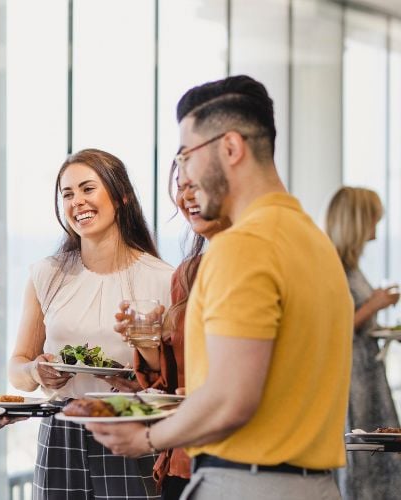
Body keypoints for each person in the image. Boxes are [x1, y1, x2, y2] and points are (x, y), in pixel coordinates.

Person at [86, 75, 353, 500]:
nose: (185, 176)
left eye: (187, 156)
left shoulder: (241, 247)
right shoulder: (314, 242)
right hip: (316, 486)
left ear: (231, 148)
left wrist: (146, 440)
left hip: (245, 484)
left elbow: (233, 400)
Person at [9, 148, 173, 499]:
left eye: (87, 189)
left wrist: (144, 359)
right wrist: (38, 371)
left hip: (130, 430)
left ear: (121, 195)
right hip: (61, 434)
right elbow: (17, 368)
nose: (77, 202)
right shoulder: (46, 274)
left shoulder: (162, 279)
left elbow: (175, 380)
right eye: (67, 194)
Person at [112, 162, 230, 500]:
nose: (186, 196)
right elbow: (169, 381)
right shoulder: (186, 275)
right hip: (184, 460)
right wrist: (145, 340)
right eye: (180, 186)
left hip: (239, 461)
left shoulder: (263, 264)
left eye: (196, 184)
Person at [325, 186, 401, 500]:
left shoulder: (350, 267)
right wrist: (375, 304)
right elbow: (331, 328)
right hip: (351, 380)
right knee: (360, 457)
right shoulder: (332, 268)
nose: (376, 228)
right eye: (374, 220)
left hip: (366, 375)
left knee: (377, 453)